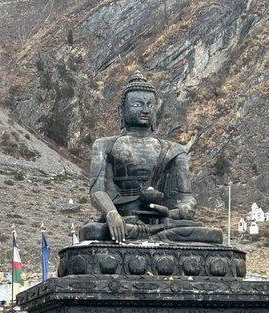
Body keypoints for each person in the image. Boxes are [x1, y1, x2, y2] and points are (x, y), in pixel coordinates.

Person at [79, 71, 222, 245]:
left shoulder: (174, 149)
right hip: (124, 219)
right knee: (92, 231)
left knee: (212, 234)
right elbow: (97, 191)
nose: (145, 110)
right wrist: (111, 213)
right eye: (138, 104)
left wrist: (177, 211)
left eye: (150, 105)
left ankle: (149, 238)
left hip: (162, 222)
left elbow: (186, 197)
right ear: (122, 111)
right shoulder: (105, 145)